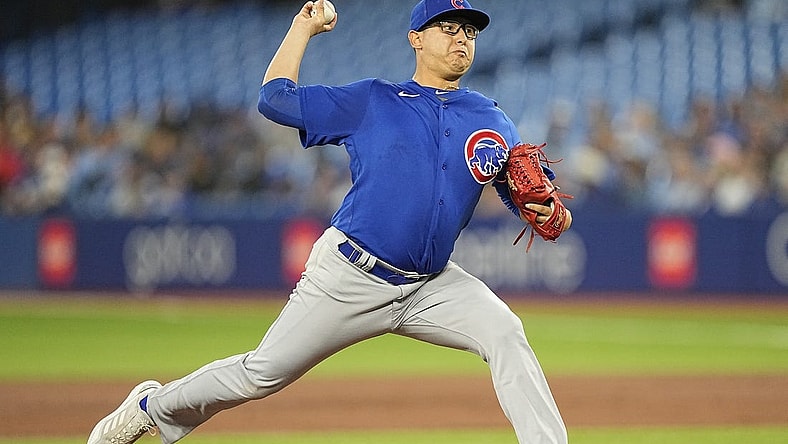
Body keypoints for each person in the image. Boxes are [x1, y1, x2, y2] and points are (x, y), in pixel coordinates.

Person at [87, 1, 571, 443]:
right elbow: (275, 99)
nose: (462, 37)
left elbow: (521, 194)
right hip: (351, 274)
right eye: (448, 27)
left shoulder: (492, 118)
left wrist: (549, 210)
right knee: (262, 373)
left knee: (505, 331)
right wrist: (302, 28)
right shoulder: (373, 100)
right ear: (416, 39)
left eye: (469, 31)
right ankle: (152, 406)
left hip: (432, 284)